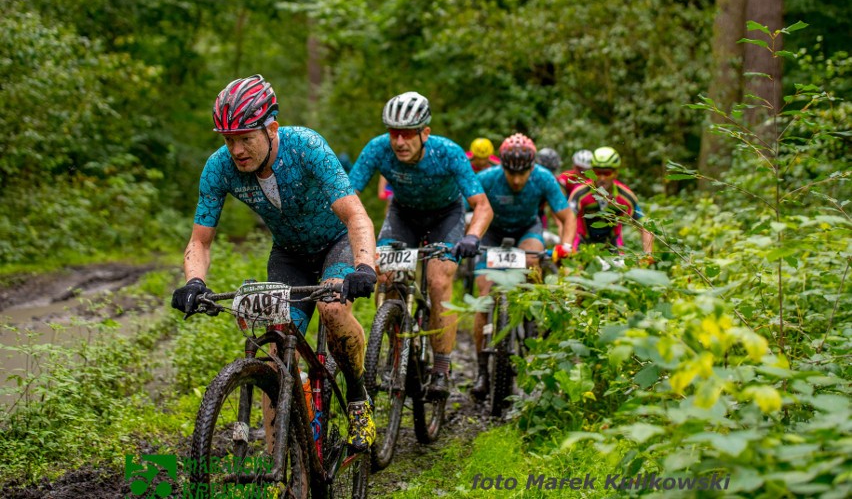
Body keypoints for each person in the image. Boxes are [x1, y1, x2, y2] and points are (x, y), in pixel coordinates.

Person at [170, 74, 377, 452]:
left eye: (245, 137)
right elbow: (200, 240)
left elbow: (356, 217)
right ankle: (282, 465)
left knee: (332, 312)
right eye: (228, 140)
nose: (236, 150)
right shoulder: (219, 168)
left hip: (335, 244)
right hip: (289, 254)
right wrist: (194, 282)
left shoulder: (306, 146)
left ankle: (359, 397)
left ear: (272, 128)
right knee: (274, 349)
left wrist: (364, 267)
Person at [348, 91, 493, 399]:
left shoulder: (448, 152)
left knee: (438, 281)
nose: (399, 142)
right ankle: (396, 342)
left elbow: (482, 205)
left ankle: (441, 366)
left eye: (407, 134)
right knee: (385, 276)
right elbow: (348, 194)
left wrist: (472, 236)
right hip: (404, 215)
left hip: (446, 216)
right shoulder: (377, 149)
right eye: (394, 133)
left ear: (425, 133)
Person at [470, 134, 571, 399]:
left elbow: (567, 217)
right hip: (492, 233)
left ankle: (531, 321)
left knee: (533, 260)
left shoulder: (543, 178)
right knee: (484, 297)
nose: (516, 180)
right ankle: (482, 370)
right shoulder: (488, 178)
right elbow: (459, 208)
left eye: (523, 173)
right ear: (502, 166)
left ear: (532, 167)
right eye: (511, 173)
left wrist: (567, 246)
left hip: (528, 229)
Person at [554, 146, 654, 261]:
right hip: (583, 241)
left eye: (607, 173)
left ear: (615, 173)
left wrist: (648, 254)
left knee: (619, 275)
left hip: (613, 243)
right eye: (597, 173)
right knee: (574, 273)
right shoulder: (580, 193)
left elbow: (644, 225)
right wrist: (566, 246)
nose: (602, 178)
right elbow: (569, 219)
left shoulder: (625, 196)